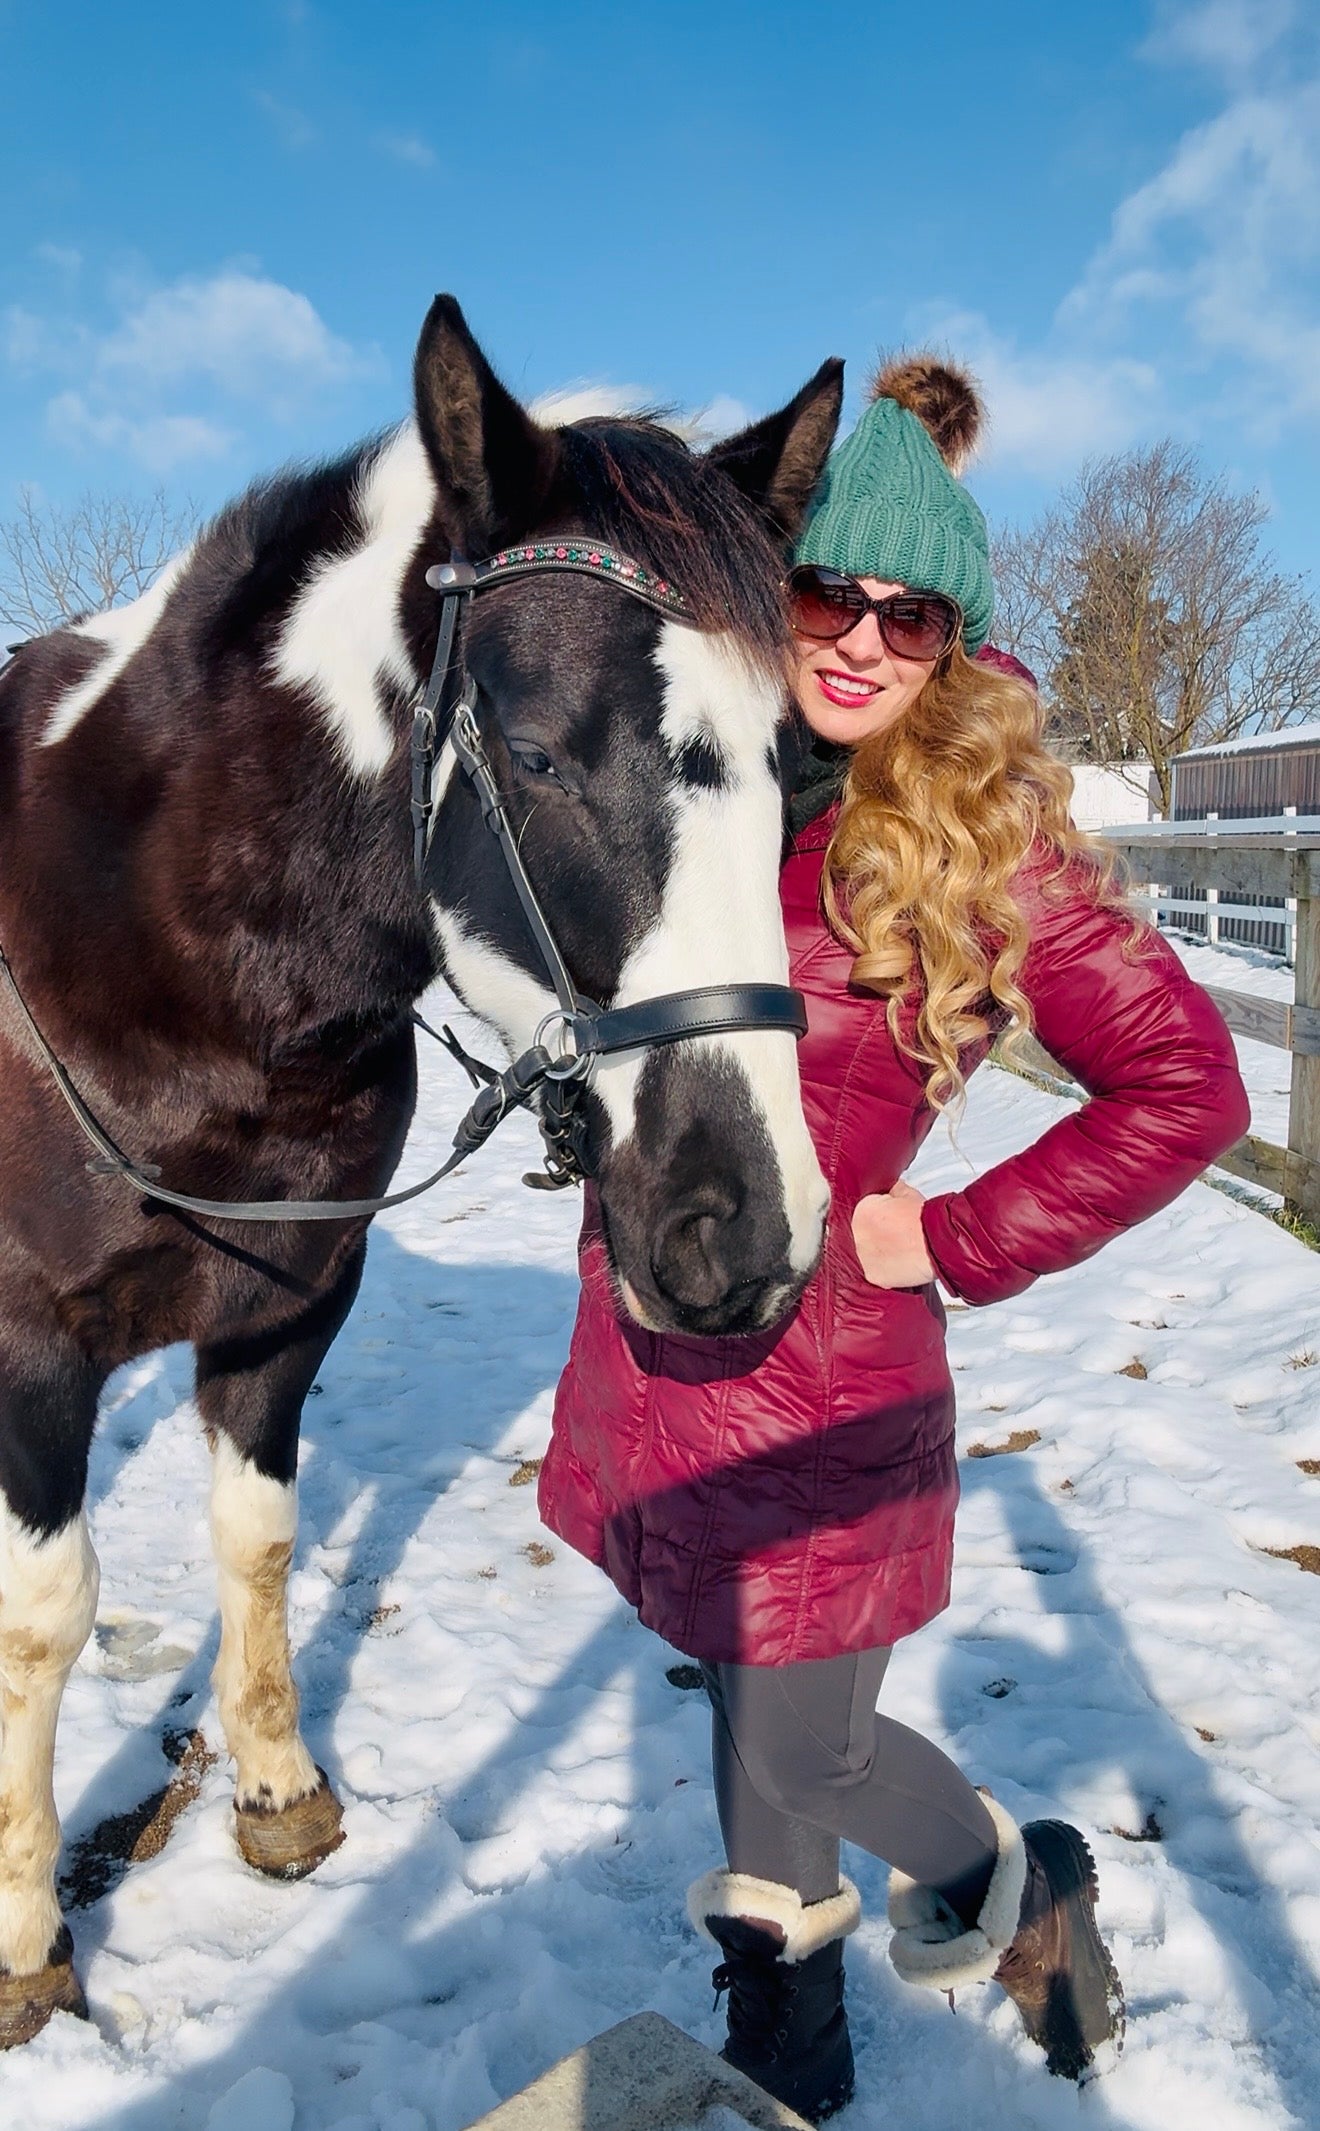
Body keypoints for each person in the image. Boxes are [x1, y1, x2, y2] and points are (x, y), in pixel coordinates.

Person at [538, 357, 1250, 2122]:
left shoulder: (973, 837)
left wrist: (958, 1229)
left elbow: (1188, 1085)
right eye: (825, 593)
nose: (858, 639)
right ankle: (789, 2027)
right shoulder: (699, 783)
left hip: (833, 1366)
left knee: (811, 1736)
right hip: (666, 1338)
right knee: (744, 1697)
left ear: (953, 639)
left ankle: (1024, 1881)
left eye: (910, 616)